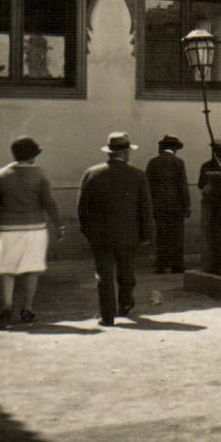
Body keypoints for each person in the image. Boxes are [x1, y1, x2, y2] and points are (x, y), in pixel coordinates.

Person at [0, 136, 63, 330]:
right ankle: (27, 308)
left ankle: (6, 307)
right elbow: (49, 203)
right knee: (31, 268)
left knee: (6, 269)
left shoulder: (1, 174)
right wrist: (59, 225)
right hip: (34, 227)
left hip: (7, 227)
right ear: (33, 155)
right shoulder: (40, 175)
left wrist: (6, 198)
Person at [77, 132, 153, 326]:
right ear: (126, 152)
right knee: (126, 272)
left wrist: (87, 232)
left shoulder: (92, 173)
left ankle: (107, 315)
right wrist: (146, 234)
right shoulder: (137, 175)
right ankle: (125, 303)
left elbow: (82, 207)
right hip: (128, 234)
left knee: (104, 275)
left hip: (100, 236)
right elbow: (145, 208)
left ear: (109, 152)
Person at [146, 135, 191, 274]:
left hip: (158, 205)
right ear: (175, 148)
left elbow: (147, 185)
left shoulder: (153, 163)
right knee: (177, 235)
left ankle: (161, 265)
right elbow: (183, 185)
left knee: (161, 234)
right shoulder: (178, 162)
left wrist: (150, 205)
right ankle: (177, 265)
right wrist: (187, 205)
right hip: (176, 205)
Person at [197, 139, 221, 274]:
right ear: (215, 151)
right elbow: (201, 184)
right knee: (214, 234)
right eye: (220, 150)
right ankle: (215, 261)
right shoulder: (207, 166)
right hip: (213, 206)